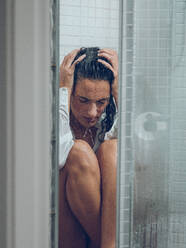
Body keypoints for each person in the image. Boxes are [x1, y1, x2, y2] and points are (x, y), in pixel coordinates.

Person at [59, 47, 118, 248]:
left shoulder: (105, 126)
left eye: (101, 102)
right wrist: (63, 91)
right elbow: (58, 158)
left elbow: (133, 153)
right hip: (68, 236)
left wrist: (119, 92)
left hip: (97, 240)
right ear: (70, 92)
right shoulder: (54, 119)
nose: (92, 113)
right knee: (78, 152)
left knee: (113, 150)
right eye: (83, 100)